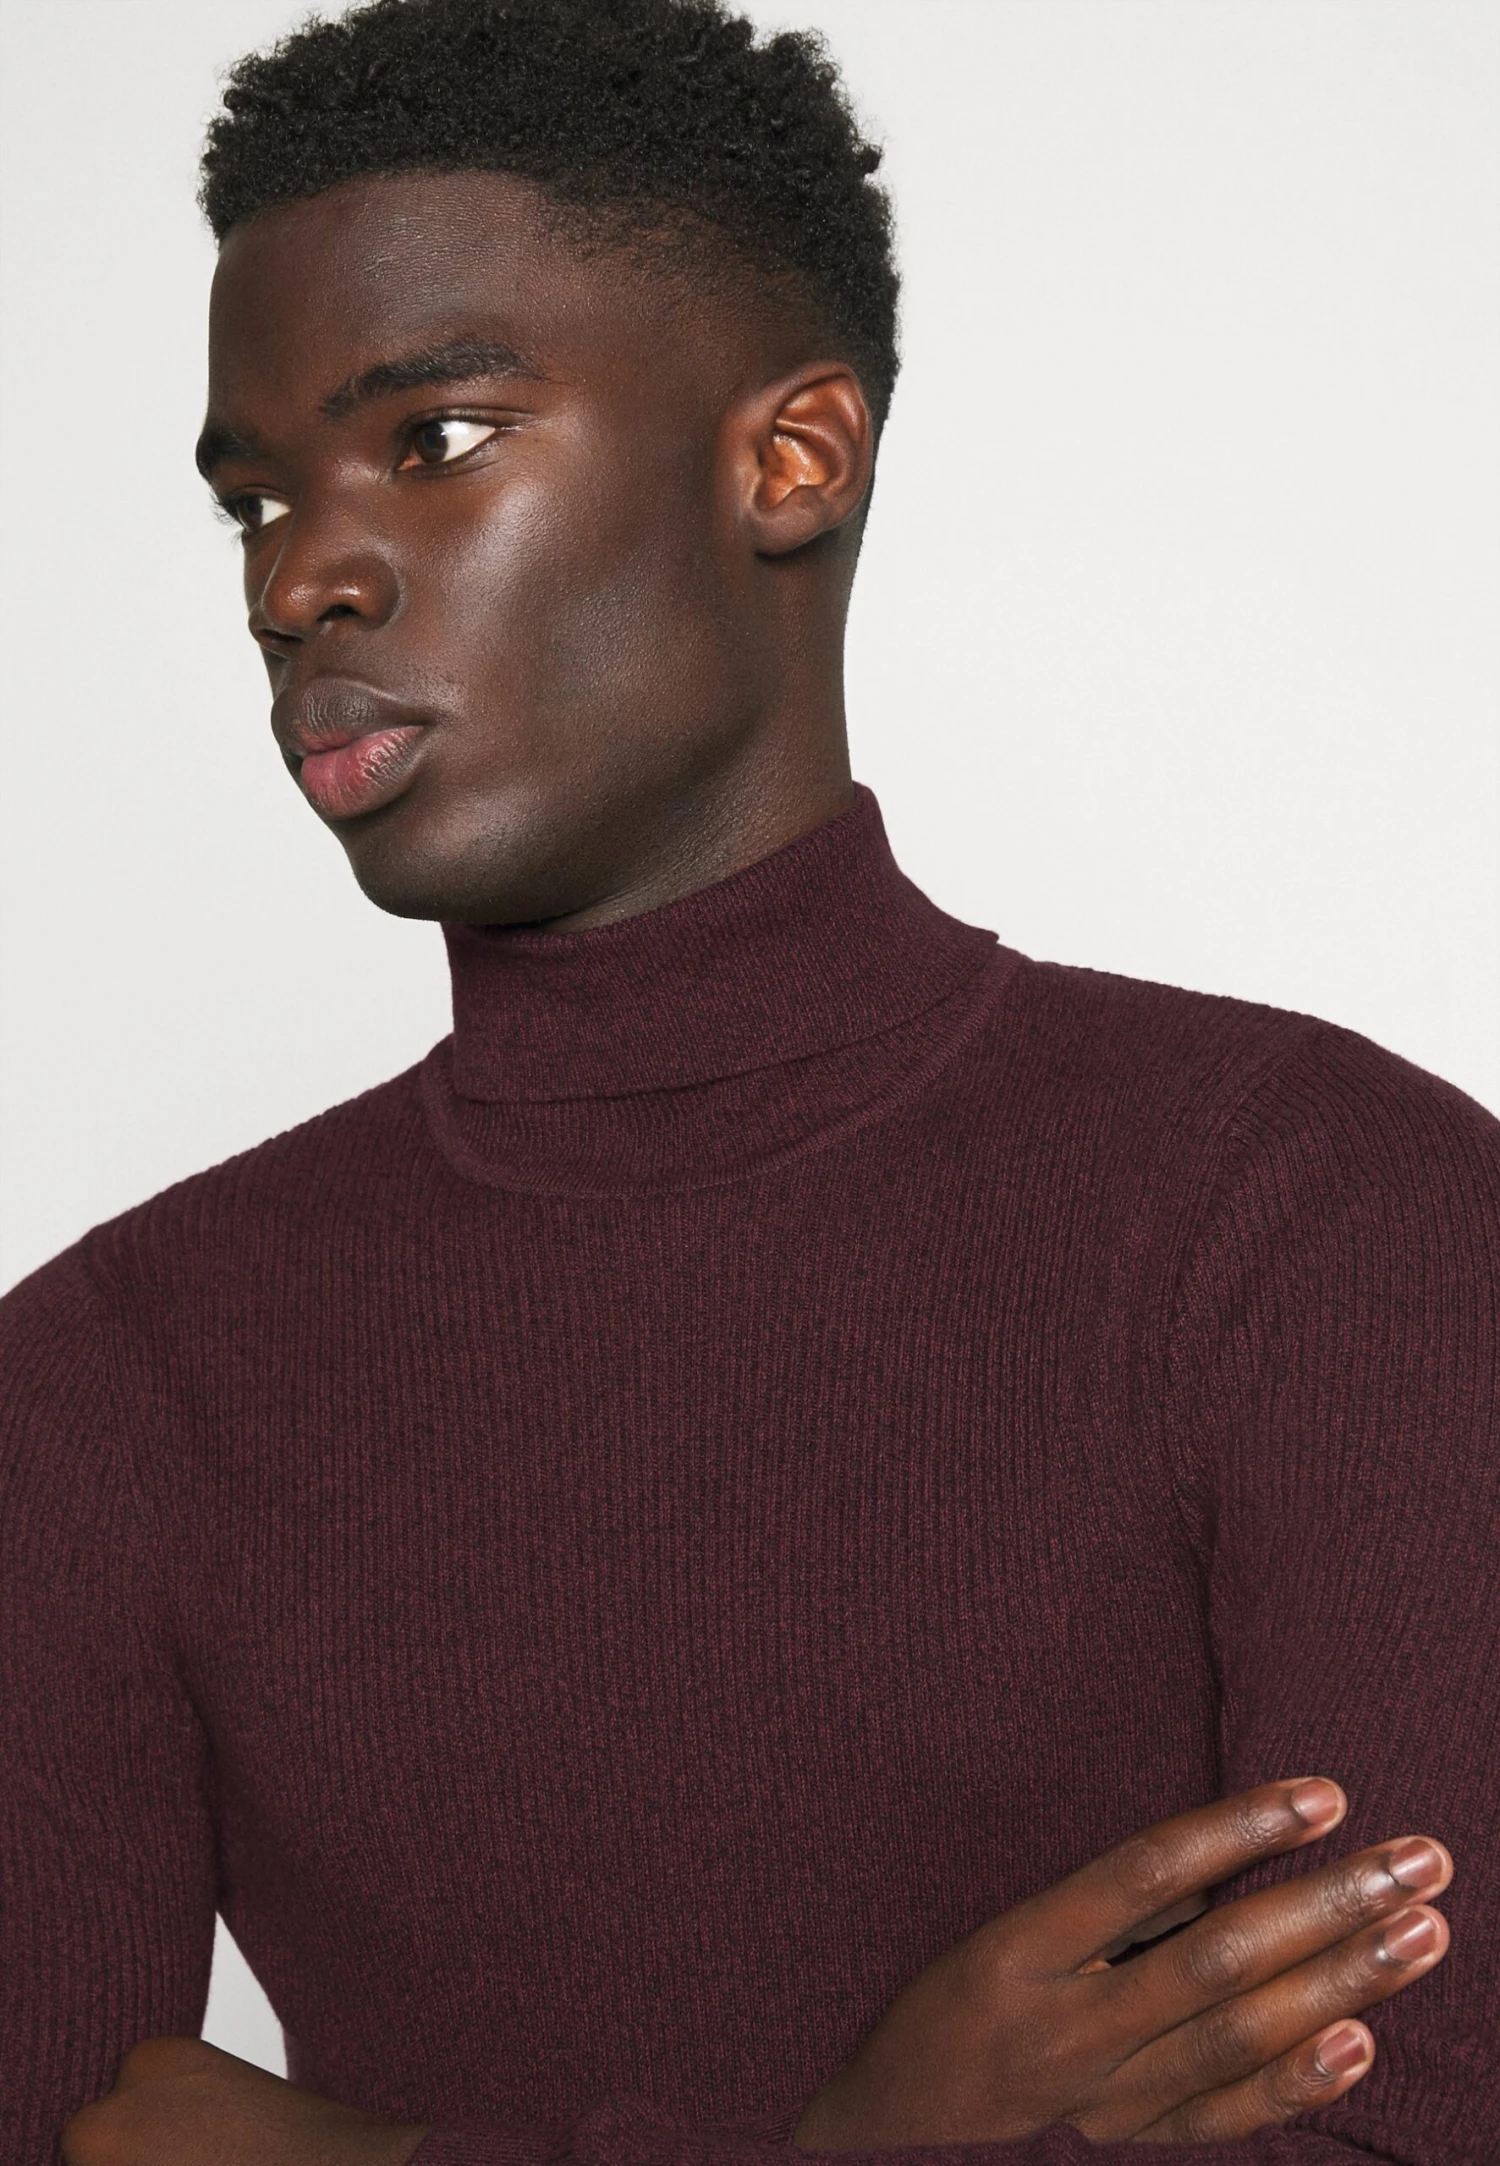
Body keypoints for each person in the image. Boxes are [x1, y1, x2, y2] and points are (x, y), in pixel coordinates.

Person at [2, 1, 1495, 2160]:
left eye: (434, 438)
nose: (296, 577)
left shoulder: (1332, 1223)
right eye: (256, 497)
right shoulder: (107, 1384)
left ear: (791, 460)